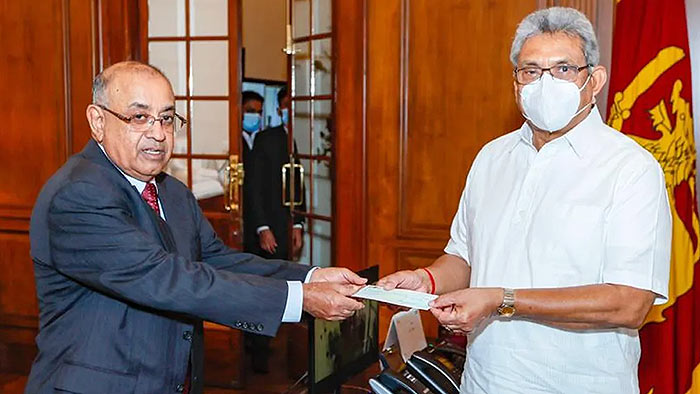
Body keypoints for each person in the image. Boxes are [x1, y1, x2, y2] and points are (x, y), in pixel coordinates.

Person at [378, 7, 671, 394]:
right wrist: (427, 279)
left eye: (564, 69)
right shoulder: (492, 157)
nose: (544, 83)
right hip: (483, 381)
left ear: (594, 80)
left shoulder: (630, 168)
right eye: (531, 71)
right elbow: (464, 257)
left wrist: (504, 300)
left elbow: (629, 303)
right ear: (516, 82)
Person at [26, 61, 366, 394]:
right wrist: (299, 299)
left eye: (167, 118)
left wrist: (309, 277)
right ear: (97, 121)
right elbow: (166, 278)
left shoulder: (173, 192)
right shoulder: (77, 194)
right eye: (139, 117)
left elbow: (216, 261)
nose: (158, 134)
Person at [241, 87, 306, 373]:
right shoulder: (267, 140)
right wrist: (263, 228)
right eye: (286, 105)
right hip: (265, 228)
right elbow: (253, 188)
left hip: (285, 224)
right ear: (279, 109)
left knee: (283, 282)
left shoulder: (292, 140)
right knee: (260, 286)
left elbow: (298, 185)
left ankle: (272, 342)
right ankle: (257, 350)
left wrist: (299, 224)